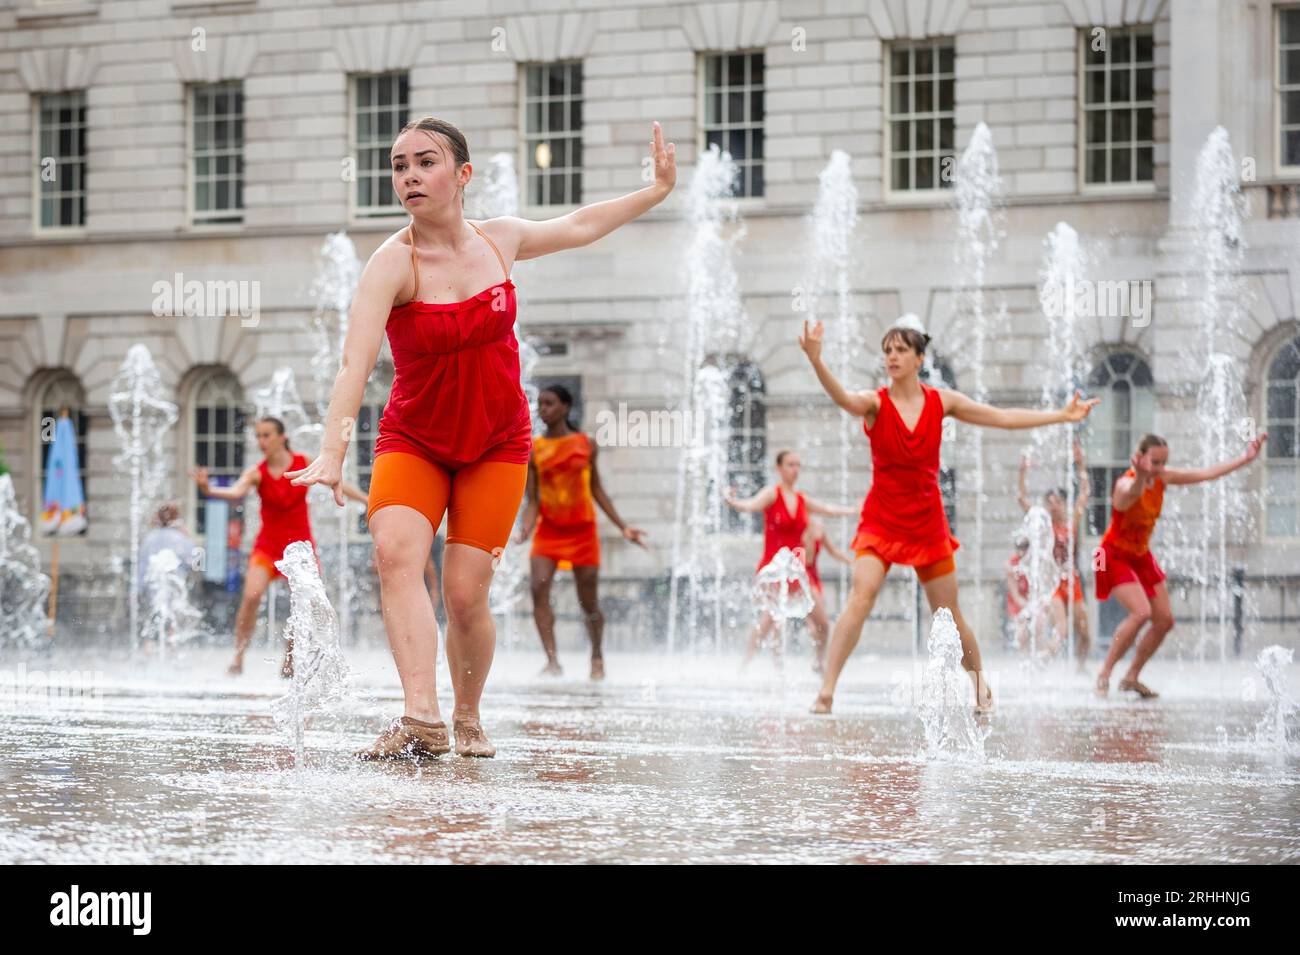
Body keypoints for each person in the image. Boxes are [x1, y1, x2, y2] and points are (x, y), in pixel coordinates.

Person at [287, 116, 676, 760]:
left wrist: (654, 192)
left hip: (496, 443)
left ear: (462, 175)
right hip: (414, 439)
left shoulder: (501, 242)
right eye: (398, 165)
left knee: (466, 594)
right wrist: (331, 451)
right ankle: (421, 716)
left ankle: (467, 715)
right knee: (395, 554)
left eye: (425, 161)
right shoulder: (391, 264)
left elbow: (579, 225)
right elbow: (353, 366)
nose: (408, 174)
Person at [799, 317, 1099, 715]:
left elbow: (1003, 418)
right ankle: (827, 690)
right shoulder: (875, 402)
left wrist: (1061, 416)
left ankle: (979, 687)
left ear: (920, 358)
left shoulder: (942, 402)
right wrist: (818, 361)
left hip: (927, 522)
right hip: (882, 519)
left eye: (901, 349)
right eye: (887, 350)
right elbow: (844, 399)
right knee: (861, 596)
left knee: (950, 614)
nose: (892, 356)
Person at [1094, 431, 1267, 699]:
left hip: (1140, 555)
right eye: (1155, 462)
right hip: (1109, 555)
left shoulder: (1163, 477)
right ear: (1140, 458)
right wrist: (1141, 476)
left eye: (1164, 462)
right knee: (1141, 613)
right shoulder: (1124, 484)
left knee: (1164, 620)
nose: (1161, 468)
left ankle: (1131, 676)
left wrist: (1245, 459)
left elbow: (1206, 473)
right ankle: (1104, 674)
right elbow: (1129, 496)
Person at [190, 417, 367, 677]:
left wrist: (366, 498)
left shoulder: (303, 462)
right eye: (259, 436)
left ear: (282, 437)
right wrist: (208, 489)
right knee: (251, 597)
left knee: (302, 605)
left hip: (300, 548)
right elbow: (236, 492)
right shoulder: (256, 472)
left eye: (267, 435)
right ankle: (238, 656)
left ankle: (290, 660)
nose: (262, 441)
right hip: (267, 548)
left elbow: (334, 481)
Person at [519, 384, 647, 679]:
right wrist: (525, 529)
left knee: (588, 601)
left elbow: (597, 489)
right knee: (538, 589)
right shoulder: (534, 450)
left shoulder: (586, 444)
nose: (543, 409)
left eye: (549, 403)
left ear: (566, 407)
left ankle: (597, 655)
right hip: (549, 531)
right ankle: (552, 661)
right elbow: (533, 499)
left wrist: (623, 527)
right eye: (540, 404)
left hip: (582, 533)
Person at [724, 450, 856, 669]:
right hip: (774, 569)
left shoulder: (802, 499)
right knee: (769, 622)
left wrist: (855, 510)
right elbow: (751, 505)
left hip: (797, 571)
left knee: (822, 622)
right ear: (779, 468)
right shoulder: (772, 494)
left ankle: (818, 662)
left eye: (798, 465)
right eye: (790, 465)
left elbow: (828, 509)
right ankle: (746, 665)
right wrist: (733, 502)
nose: (795, 469)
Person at [1017, 441, 1091, 665]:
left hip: (1073, 579)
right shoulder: (1042, 522)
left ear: (1063, 504)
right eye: (1049, 502)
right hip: (1053, 580)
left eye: (1057, 502)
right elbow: (1022, 499)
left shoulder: (1072, 521)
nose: (1052, 506)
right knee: (1062, 627)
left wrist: (1081, 464)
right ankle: (1044, 659)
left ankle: (1080, 668)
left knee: (1084, 630)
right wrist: (1022, 472)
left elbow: (1085, 493)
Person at [1004, 534, 1031, 649]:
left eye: (1025, 547)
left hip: (1029, 599)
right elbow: (1015, 594)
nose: (1022, 551)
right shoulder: (1011, 564)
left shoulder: (1033, 562)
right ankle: (1024, 657)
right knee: (1022, 633)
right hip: (1017, 602)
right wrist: (1027, 605)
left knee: (1037, 629)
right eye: (1019, 547)